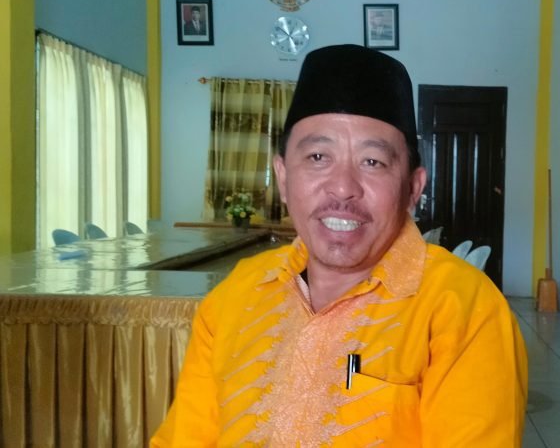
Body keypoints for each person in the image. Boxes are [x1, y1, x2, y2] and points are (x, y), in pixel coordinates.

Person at [151, 44, 528, 447]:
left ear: (413, 188)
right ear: (283, 177)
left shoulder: (464, 310)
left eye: (373, 162)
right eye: (318, 156)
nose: (344, 187)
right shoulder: (232, 299)